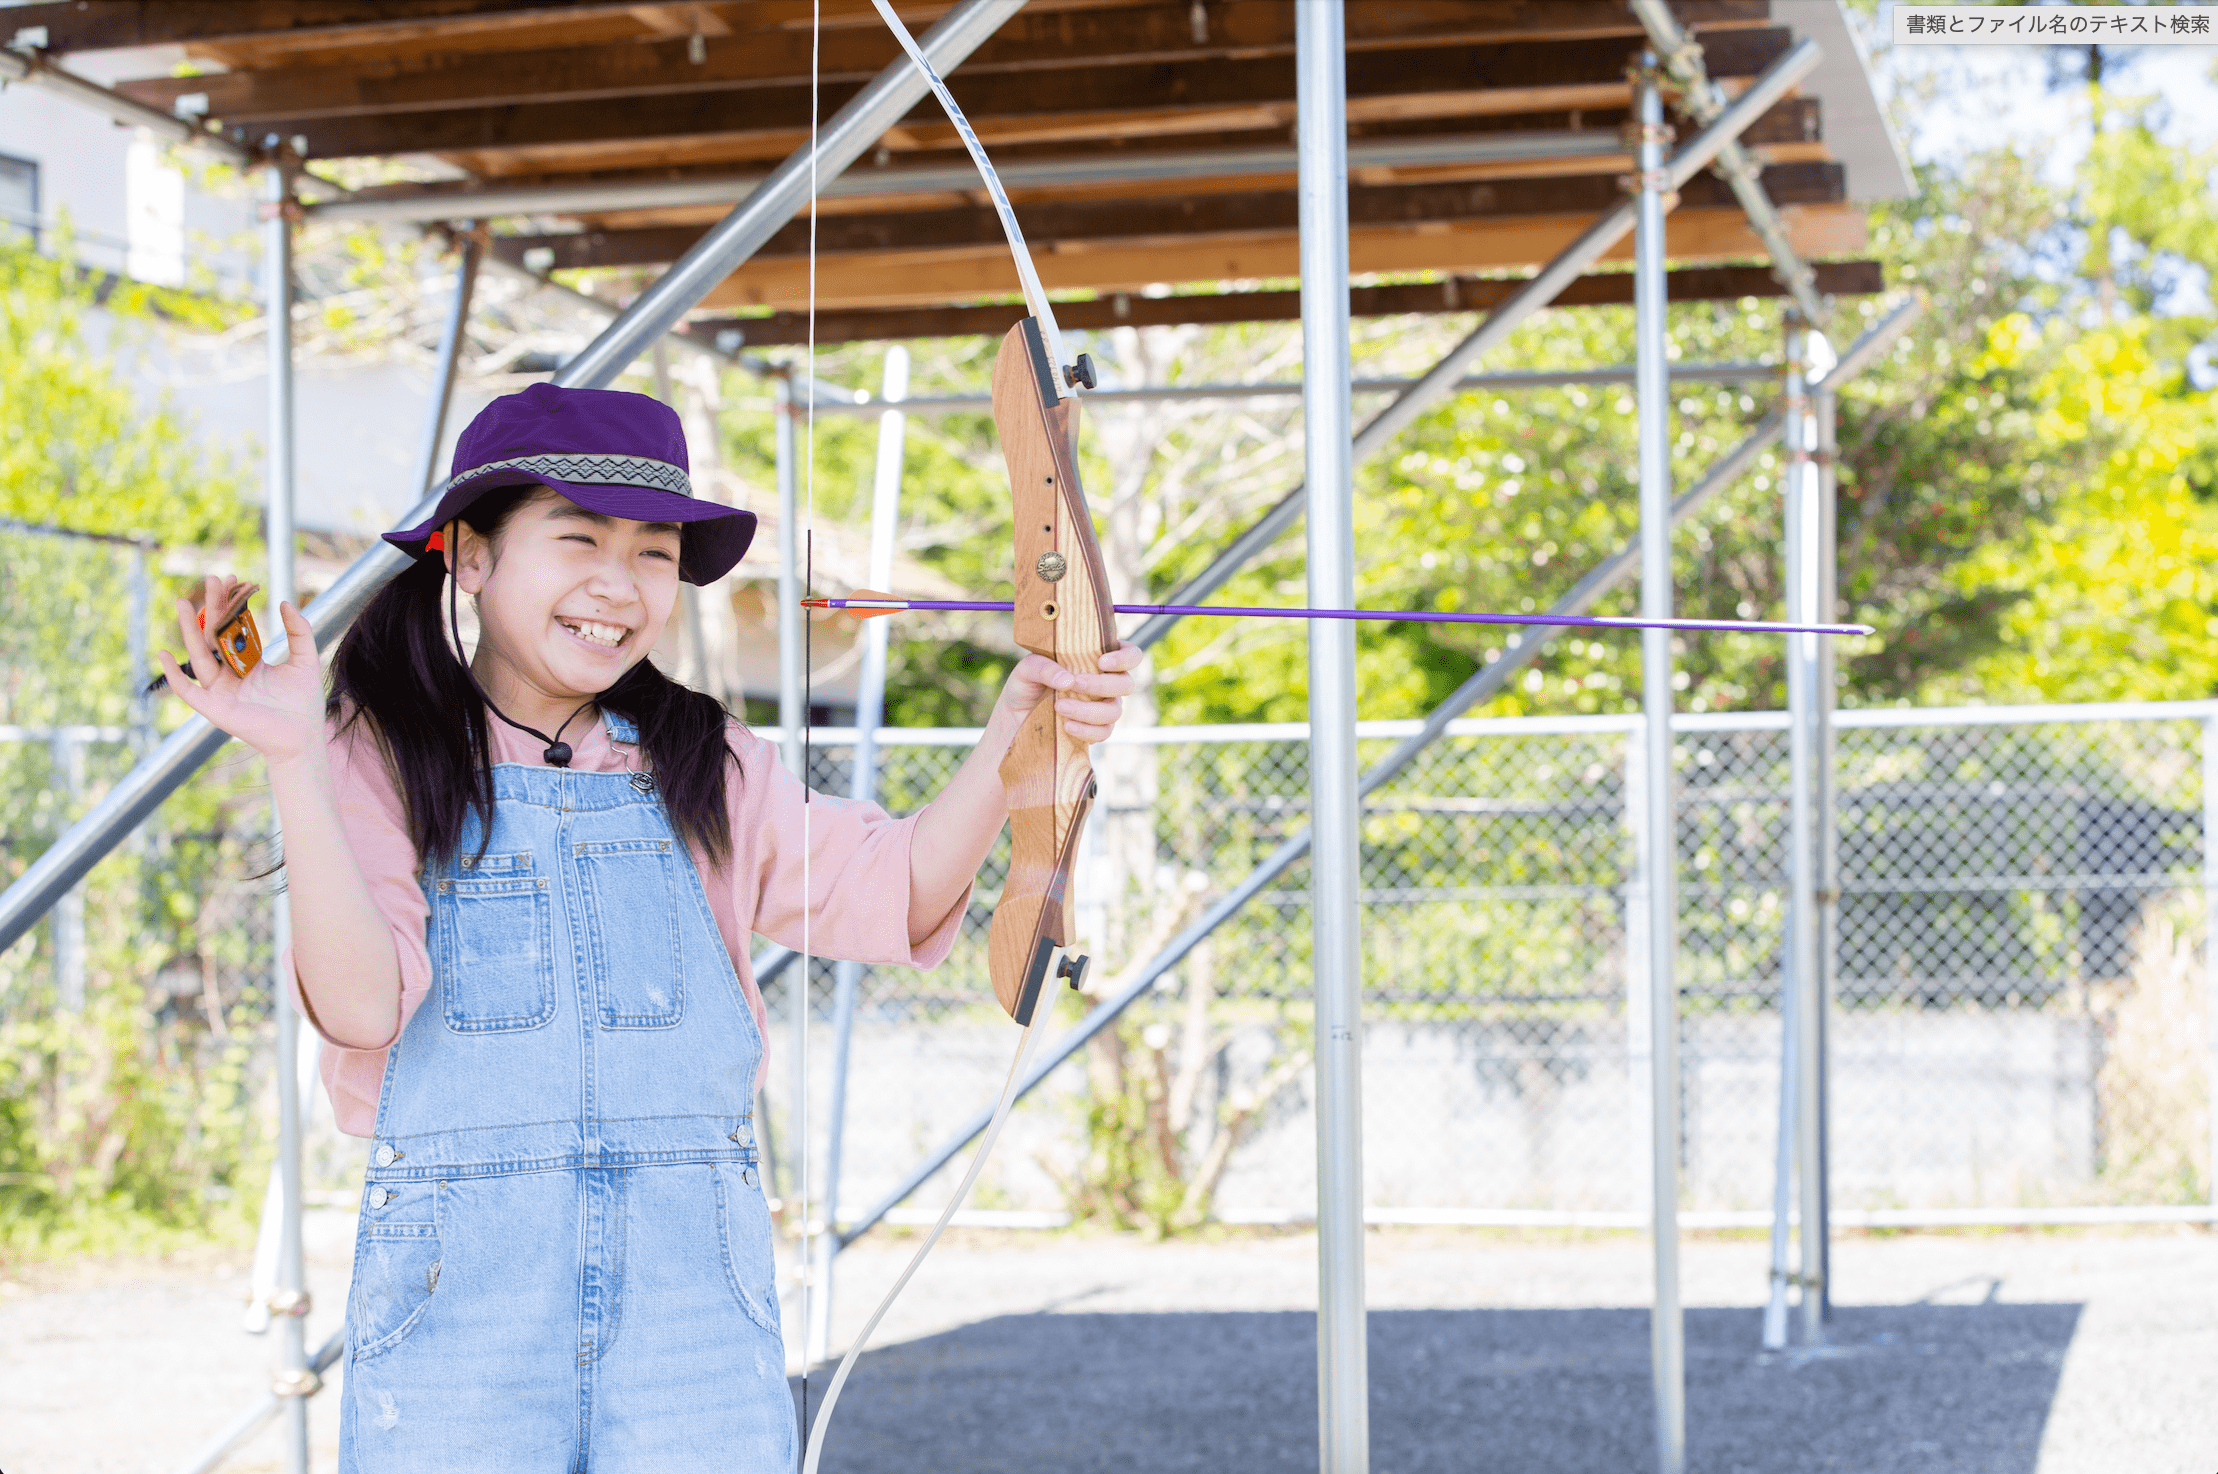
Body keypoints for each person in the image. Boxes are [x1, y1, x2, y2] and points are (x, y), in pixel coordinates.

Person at [158, 382, 1140, 1472]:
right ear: (469, 557)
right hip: (461, 1299)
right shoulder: (371, 751)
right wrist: (293, 755)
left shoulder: (702, 755)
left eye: (653, 555)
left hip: (693, 1294)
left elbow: (894, 888)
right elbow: (359, 1007)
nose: (616, 587)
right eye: (576, 539)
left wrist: (1020, 737)